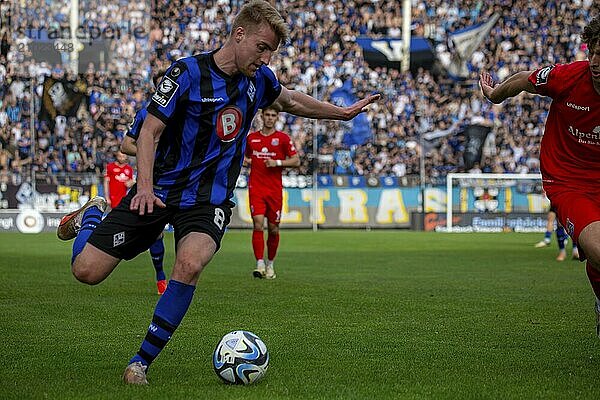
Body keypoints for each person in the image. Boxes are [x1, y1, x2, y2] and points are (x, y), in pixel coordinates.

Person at [56, 0, 379, 385]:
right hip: (158, 192)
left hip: (209, 201)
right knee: (86, 272)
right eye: (261, 47)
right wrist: (143, 186)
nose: (265, 57)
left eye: (271, 52)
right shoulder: (186, 73)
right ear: (239, 35)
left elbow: (290, 100)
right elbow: (147, 133)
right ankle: (93, 215)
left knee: (190, 264)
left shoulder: (259, 81)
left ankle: (139, 363)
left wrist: (341, 113)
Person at [479, 15, 600, 337]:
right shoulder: (568, 78)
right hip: (571, 182)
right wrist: (496, 96)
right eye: (595, 51)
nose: (598, 62)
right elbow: (522, 79)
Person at [121, 70, 168, 295]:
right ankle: (161, 277)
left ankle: (179, 283)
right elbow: (126, 145)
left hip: (182, 181)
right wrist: (150, 151)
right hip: (153, 181)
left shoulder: (188, 112)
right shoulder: (145, 115)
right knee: (153, 233)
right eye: (160, 86)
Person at [244, 106, 300, 279]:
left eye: (273, 115)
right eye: (267, 115)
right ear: (261, 117)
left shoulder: (282, 138)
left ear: (277, 118)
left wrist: (276, 163)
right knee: (258, 224)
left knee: (274, 229)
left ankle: (270, 264)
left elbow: (296, 160)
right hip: (256, 187)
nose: (269, 118)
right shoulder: (252, 139)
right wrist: (248, 161)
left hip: (274, 190)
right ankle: (259, 264)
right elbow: (245, 157)